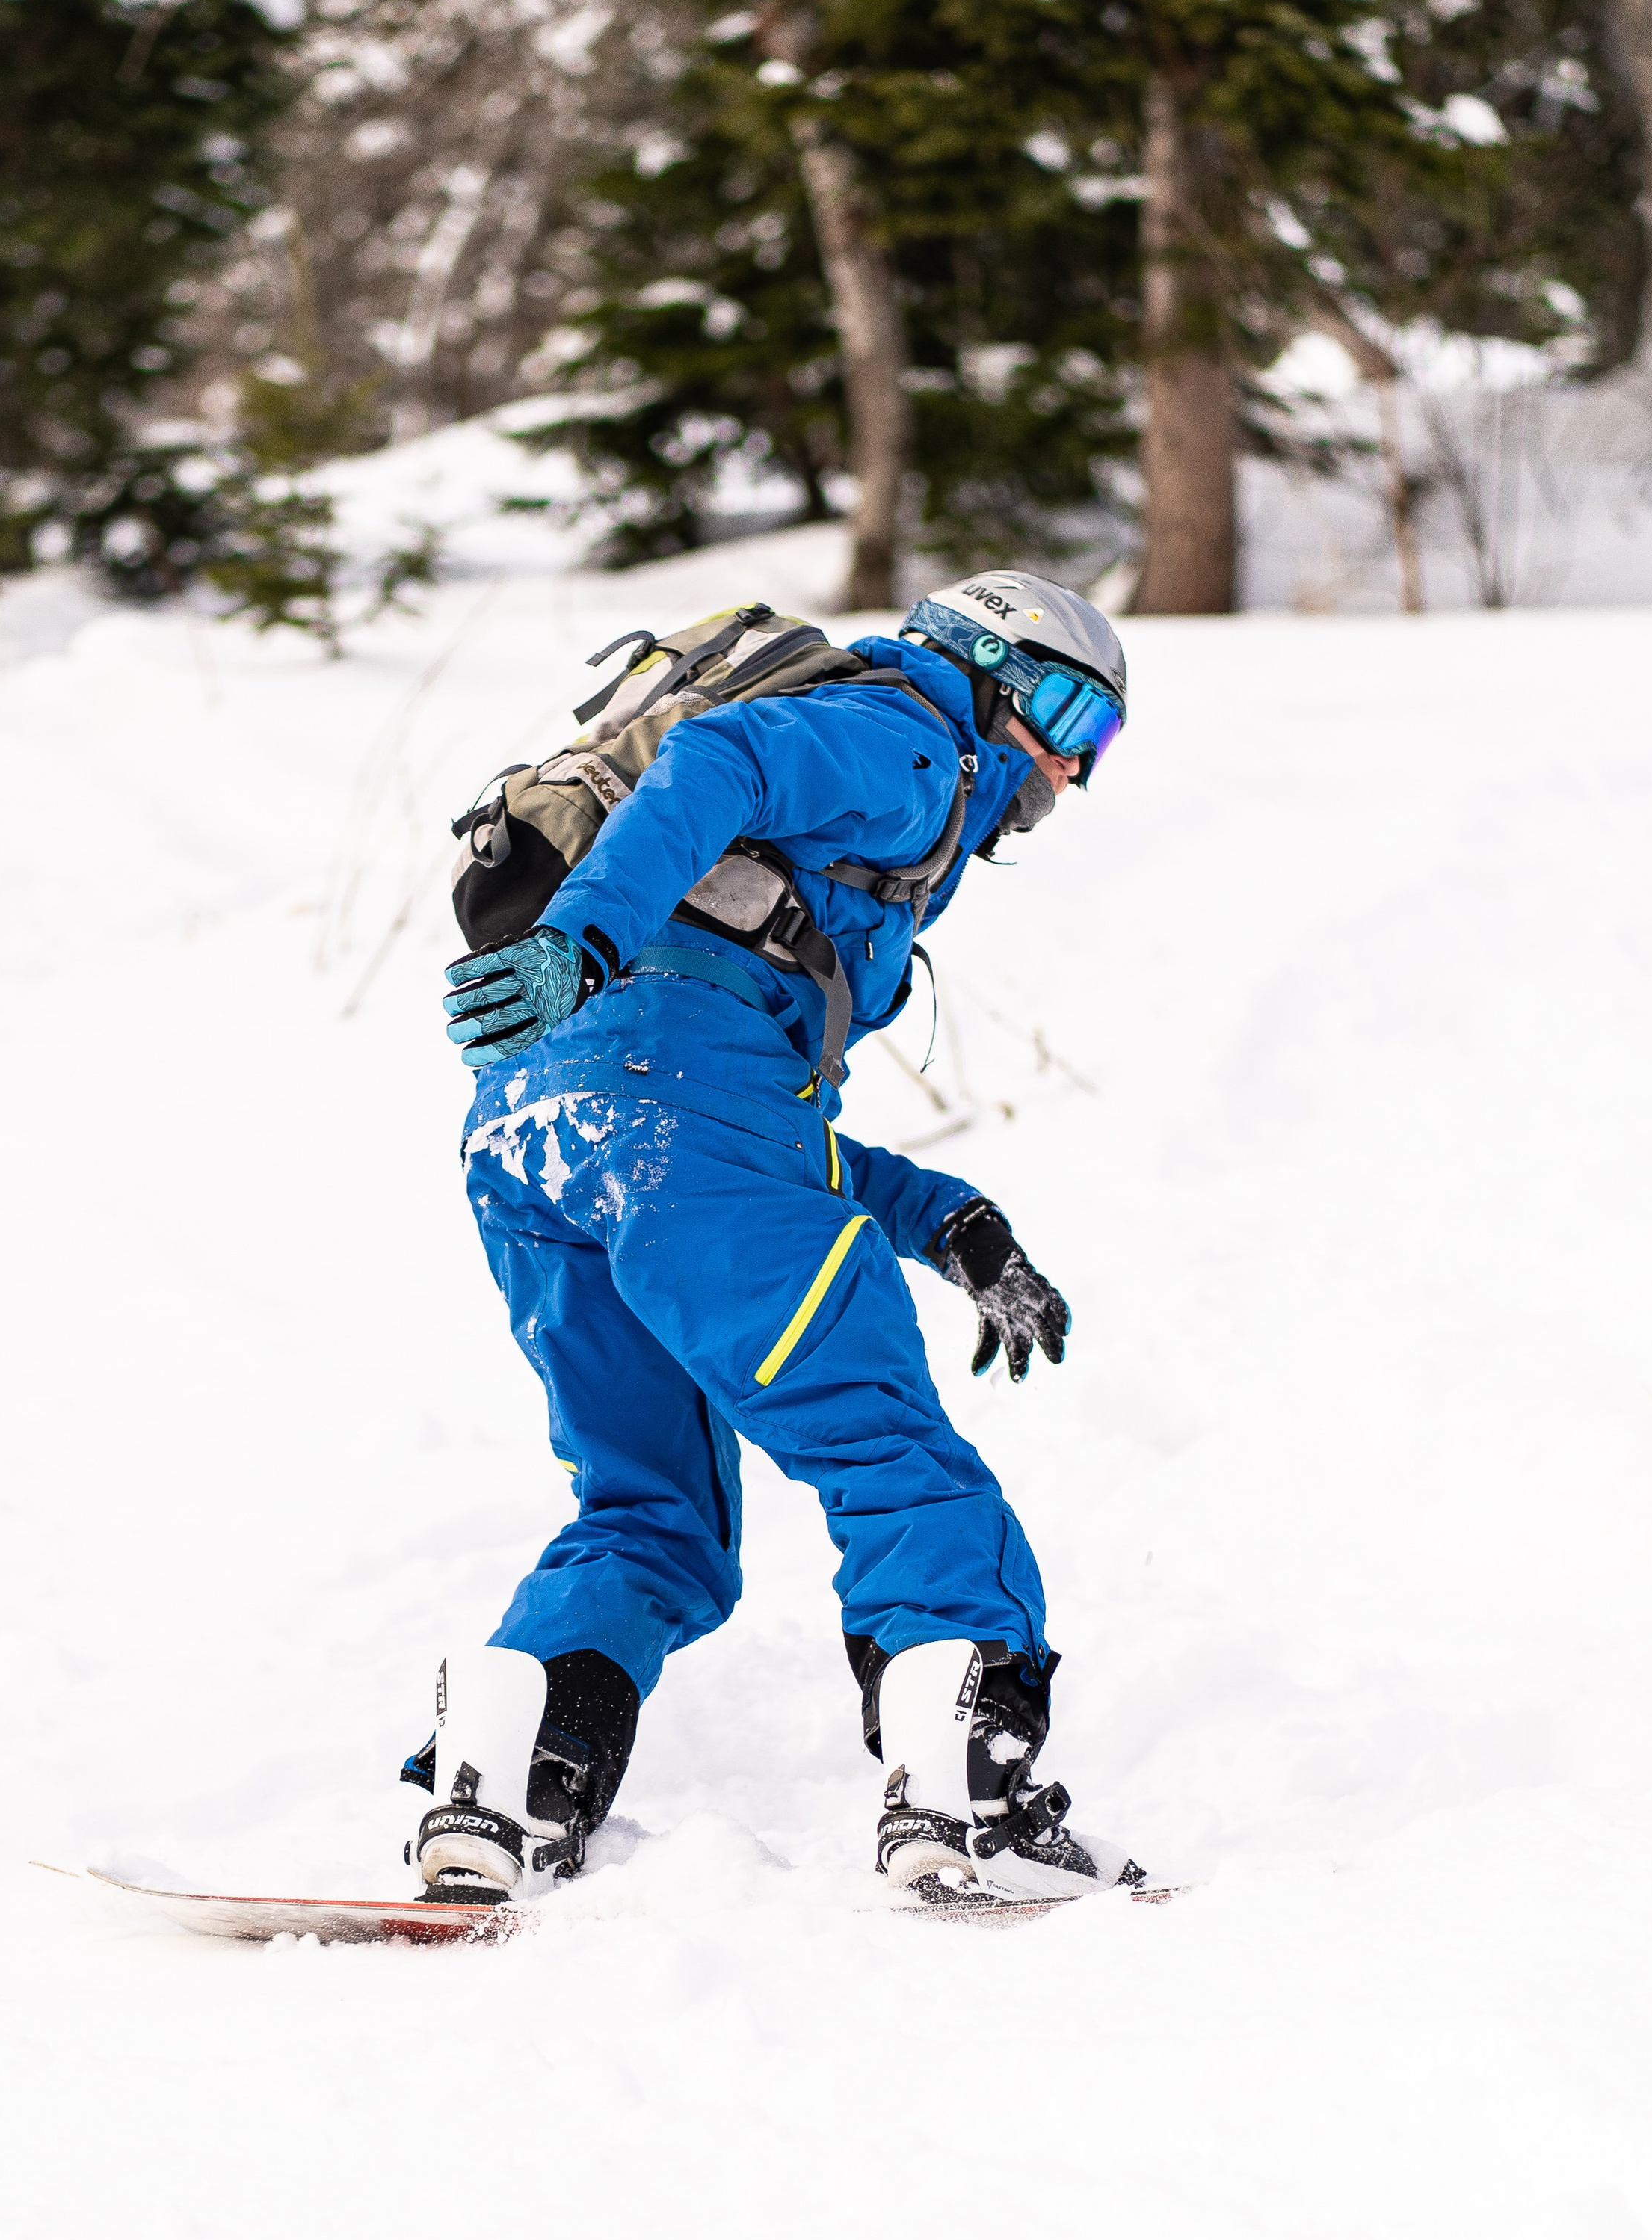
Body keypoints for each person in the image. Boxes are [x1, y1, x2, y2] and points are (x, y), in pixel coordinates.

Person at [403, 570, 1144, 1910]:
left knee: (651, 1513)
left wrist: (945, 1221)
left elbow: (725, 1118)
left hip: (532, 1151)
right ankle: (972, 1798)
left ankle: (509, 1779)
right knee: (894, 1461)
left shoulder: (847, 850)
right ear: (1001, 675)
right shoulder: (912, 737)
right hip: (665, 1123)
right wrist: (585, 934)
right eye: (1075, 722)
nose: (1068, 777)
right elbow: (720, 760)